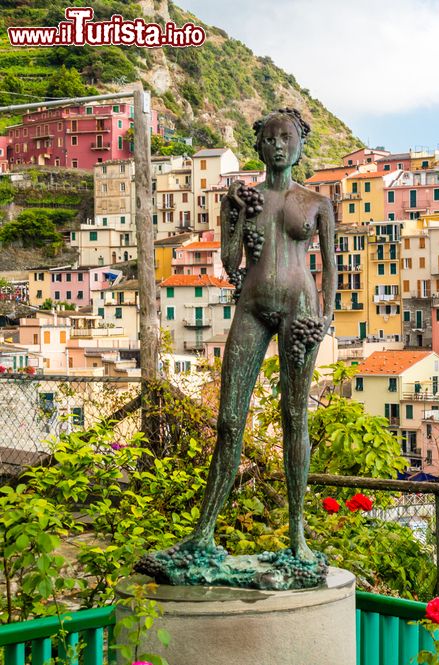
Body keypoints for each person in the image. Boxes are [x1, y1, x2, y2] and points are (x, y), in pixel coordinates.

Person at [158, 108, 336, 564]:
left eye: (287, 137)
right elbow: (233, 261)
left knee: (296, 417)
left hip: (301, 310)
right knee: (228, 422)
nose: (278, 145)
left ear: (299, 145)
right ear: (259, 147)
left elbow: (332, 270)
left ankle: (298, 536)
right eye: (271, 138)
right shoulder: (245, 199)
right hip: (252, 307)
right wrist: (232, 212)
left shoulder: (316, 203)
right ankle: (203, 532)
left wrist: (326, 317)